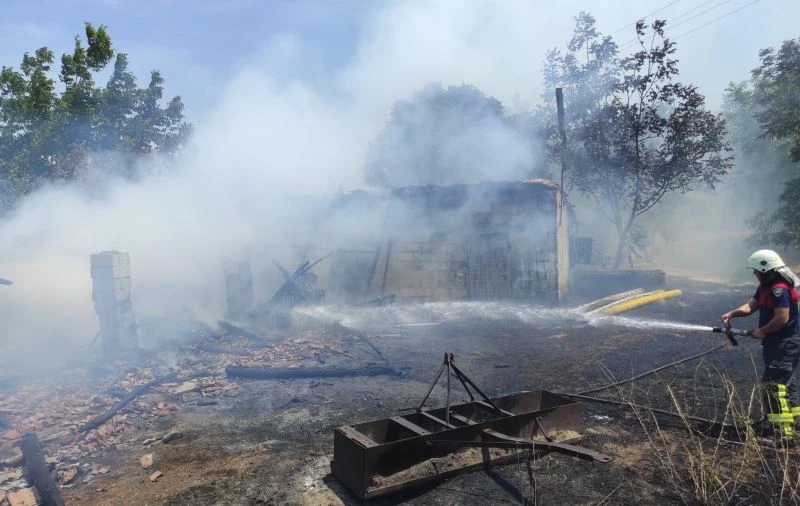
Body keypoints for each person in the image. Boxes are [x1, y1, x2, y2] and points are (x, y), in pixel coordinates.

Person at [721, 249, 800, 441]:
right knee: (786, 384)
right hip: (776, 343)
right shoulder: (765, 287)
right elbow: (750, 306)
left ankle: (782, 433)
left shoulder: (778, 289)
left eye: (756, 270)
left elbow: (782, 318)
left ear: (766, 269)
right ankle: (794, 424)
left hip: (784, 343)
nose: (754, 273)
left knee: (774, 386)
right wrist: (733, 313)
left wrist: (762, 331)